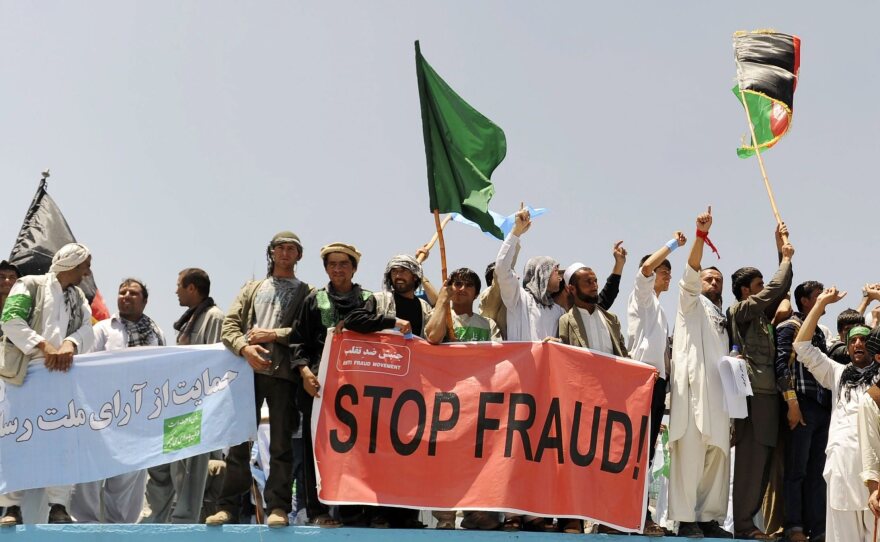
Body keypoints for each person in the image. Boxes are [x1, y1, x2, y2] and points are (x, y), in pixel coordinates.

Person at [205, 231, 311, 528]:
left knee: (280, 446)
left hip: (283, 377)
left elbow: (305, 332)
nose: (285, 253)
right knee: (237, 446)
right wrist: (245, 348)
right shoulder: (252, 288)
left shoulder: (307, 292)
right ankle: (227, 507)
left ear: (299, 256)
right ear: (272, 252)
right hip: (246, 375)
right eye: (280, 248)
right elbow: (230, 327)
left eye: (291, 249)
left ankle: (277, 507)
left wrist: (272, 334)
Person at [0, 243, 95, 526]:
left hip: (62, 375)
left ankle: (59, 507)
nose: (88, 271)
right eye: (84, 265)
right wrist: (44, 347)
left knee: (62, 439)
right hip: (25, 373)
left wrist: (69, 343)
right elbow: (11, 320)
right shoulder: (29, 284)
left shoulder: (77, 296)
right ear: (71, 265)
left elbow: (87, 328)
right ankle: (11, 508)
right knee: (17, 436)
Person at [343, 253, 431, 529]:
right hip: (380, 389)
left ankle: (406, 515)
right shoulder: (379, 300)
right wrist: (391, 322)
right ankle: (377, 513)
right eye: (394, 272)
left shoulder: (424, 308)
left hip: (413, 392)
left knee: (409, 453)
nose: (398, 276)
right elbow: (354, 319)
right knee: (379, 452)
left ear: (416, 277)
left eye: (405, 271)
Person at [70, 278, 166, 524]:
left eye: (132, 293)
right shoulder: (103, 329)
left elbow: (163, 372)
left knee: (129, 477)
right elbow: (85, 367)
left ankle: (121, 530)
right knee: (90, 474)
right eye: (122, 292)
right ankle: (85, 526)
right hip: (101, 413)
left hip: (139, 416)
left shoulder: (156, 333)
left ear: (144, 301)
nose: (125, 296)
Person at [289, 242, 371, 528]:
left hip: (359, 391)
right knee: (317, 450)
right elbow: (298, 341)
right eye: (332, 264)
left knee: (357, 449)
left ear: (354, 268)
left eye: (343, 264)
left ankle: (353, 511)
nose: (338, 269)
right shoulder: (315, 300)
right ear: (326, 268)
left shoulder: (369, 300)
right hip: (319, 389)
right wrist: (304, 373)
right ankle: (318, 512)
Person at [789, 286, 880, 542]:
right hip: (843, 467)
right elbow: (802, 345)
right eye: (853, 340)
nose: (858, 343)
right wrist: (820, 304)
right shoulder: (837, 374)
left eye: (864, 339)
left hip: (874, 469)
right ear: (847, 347)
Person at [667, 209, 733, 538]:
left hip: (720, 399)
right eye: (709, 278)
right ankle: (684, 519)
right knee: (690, 458)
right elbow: (691, 271)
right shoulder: (689, 304)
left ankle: (709, 518)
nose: (713, 283)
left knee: (716, 460)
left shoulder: (723, 318)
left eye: (718, 281)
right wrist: (700, 237)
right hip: (692, 393)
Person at [142, 268, 225, 524]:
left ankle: (183, 522)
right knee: (160, 466)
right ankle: (154, 519)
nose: (175, 291)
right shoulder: (188, 321)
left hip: (198, 408)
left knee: (189, 472)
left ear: (191, 288)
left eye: (179, 285)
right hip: (178, 405)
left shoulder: (214, 317)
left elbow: (216, 367)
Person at [728, 224, 794, 540]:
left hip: (769, 399)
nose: (763, 288)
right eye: (757, 284)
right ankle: (743, 525)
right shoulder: (740, 311)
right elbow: (775, 291)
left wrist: (780, 248)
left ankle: (752, 524)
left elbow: (779, 291)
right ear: (746, 291)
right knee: (750, 466)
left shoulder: (763, 320)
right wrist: (784, 258)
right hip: (752, 399)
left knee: (765, 466)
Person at [425, 267, 501, 531]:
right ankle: (445, 518)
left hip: (478, 403)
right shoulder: (440, 317)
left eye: (467, 285)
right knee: (445, 461)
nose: (461, 289)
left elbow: (501, 359)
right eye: (456, 284)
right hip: (446, 402)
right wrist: (442, 302)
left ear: (476, 292)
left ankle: (475, 513)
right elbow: (432, 336)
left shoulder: (487, 325)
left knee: (476, 460)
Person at [626, 230, 686, 537]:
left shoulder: (661, 311)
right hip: (640, 380)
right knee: (633, 450)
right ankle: (626, 513)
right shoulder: (643, 296)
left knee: (647, 454)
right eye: (665, 271)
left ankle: (638, 513)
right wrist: (673, 245)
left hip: (658, 383)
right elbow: (646, 268)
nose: (668, 276)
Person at [774, 280, 831, 542]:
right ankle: (794, 526)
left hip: (821, 407)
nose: (824, 300)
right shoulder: (790, 326)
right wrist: (792, 404)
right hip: (801, 404)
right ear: (805, 301)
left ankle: (817, 528)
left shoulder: (819, 332)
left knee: (817, 472)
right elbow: (782, 366)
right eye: (819, 296)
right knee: (796, 470)